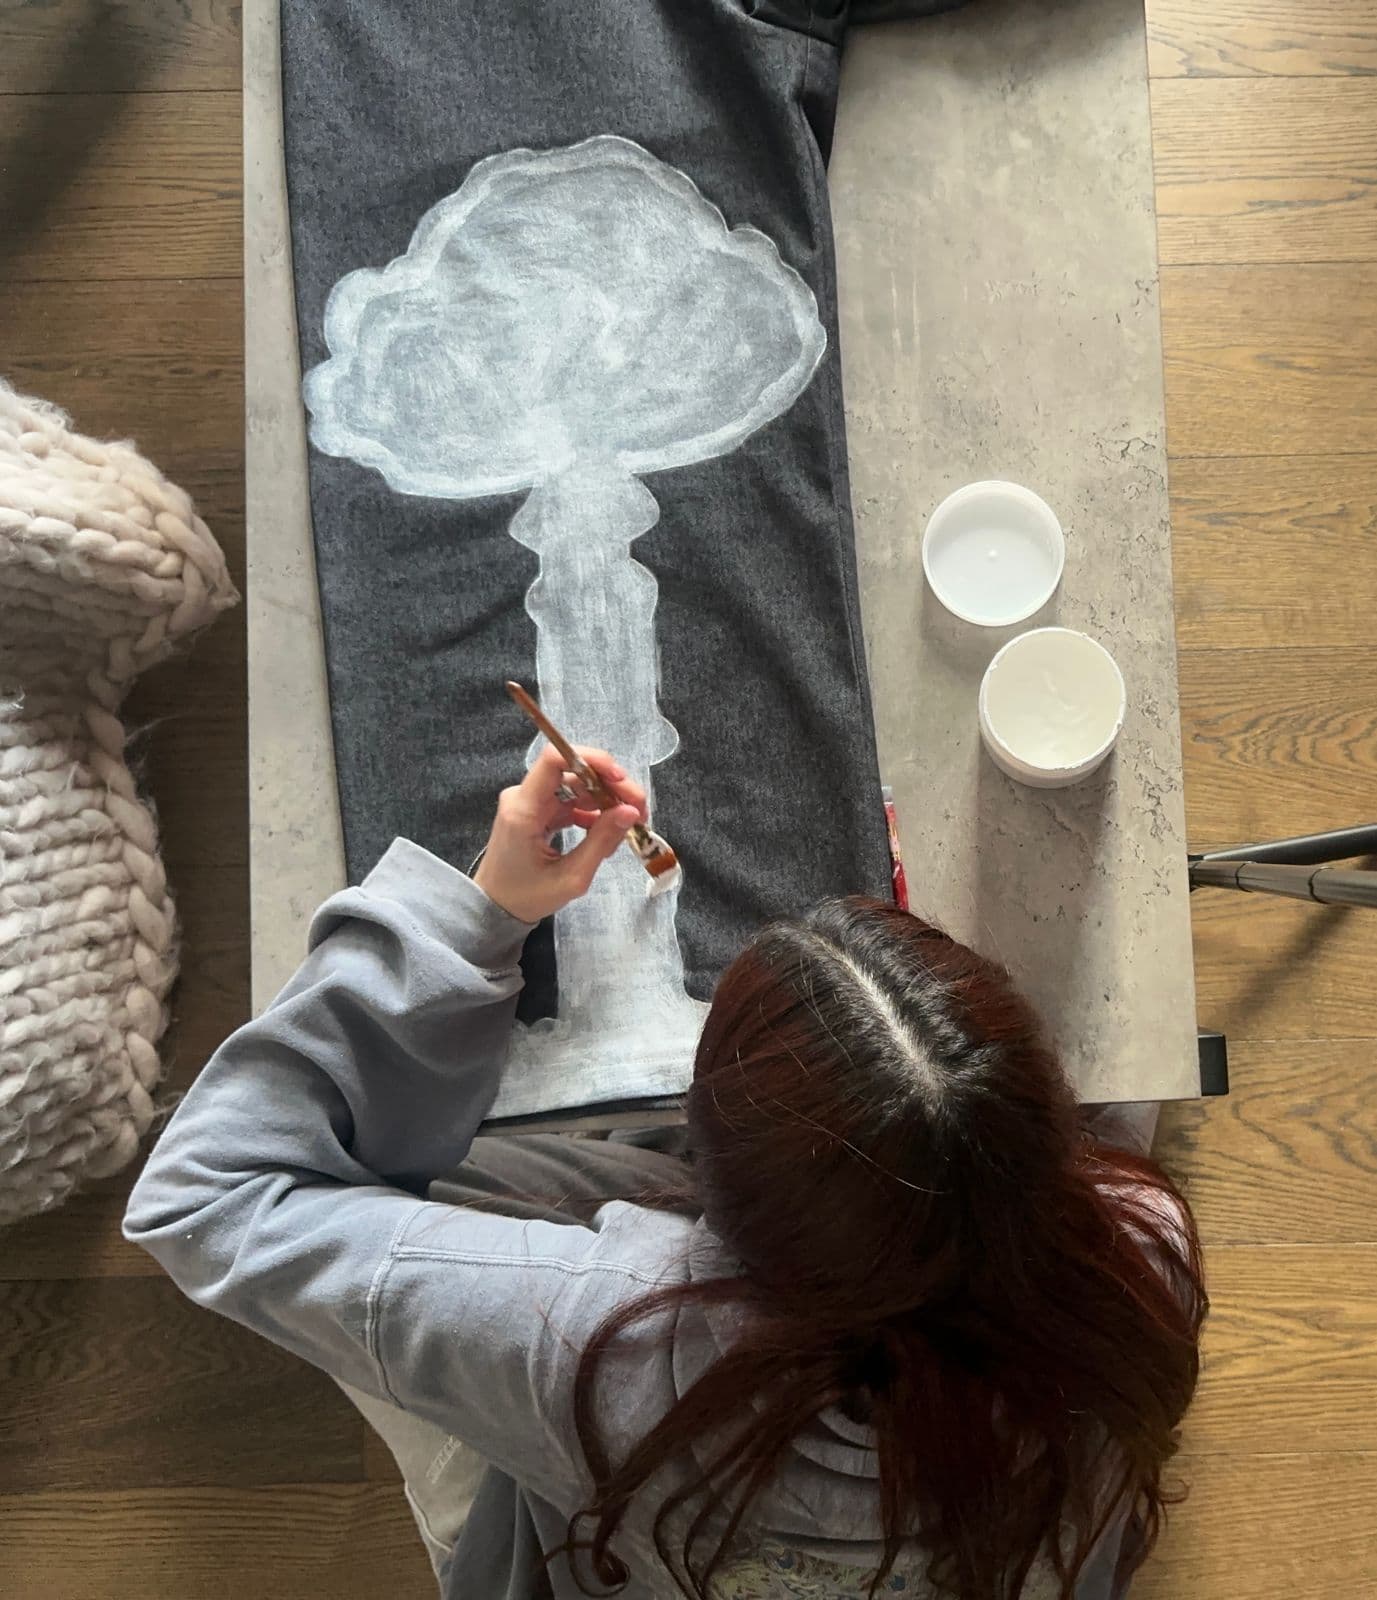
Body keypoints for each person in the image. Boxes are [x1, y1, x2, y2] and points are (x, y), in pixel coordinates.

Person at [125, 743, 1205, 1600]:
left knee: (416, 1188)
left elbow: (205, 1192)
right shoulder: (1137, 1252)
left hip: (623, 1488)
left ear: (706, 1189)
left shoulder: (588, 1334)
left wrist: (478, 911)